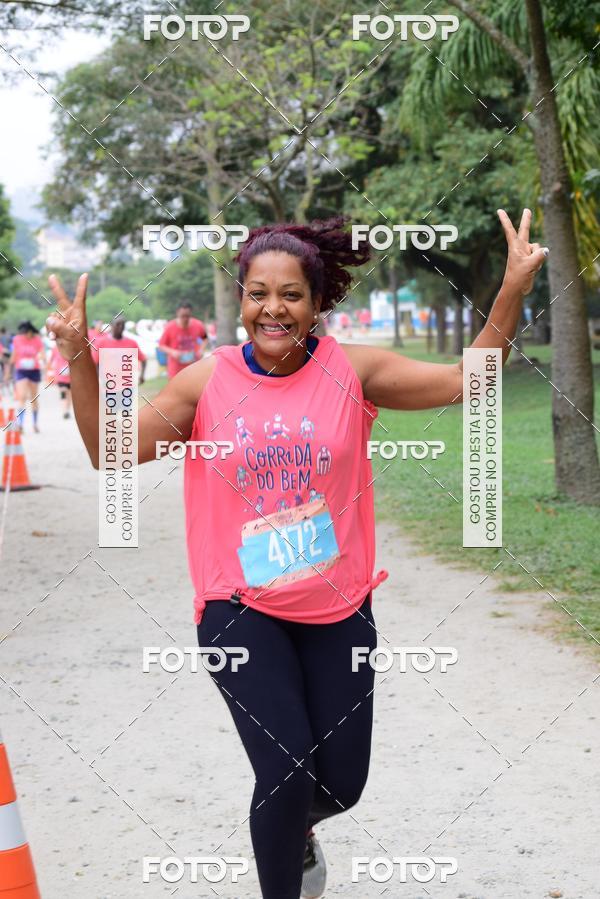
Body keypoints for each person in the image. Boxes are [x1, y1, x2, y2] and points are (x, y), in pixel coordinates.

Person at [46, 210, 547, 899]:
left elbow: (473, 381)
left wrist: (513, 287)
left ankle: (294, 828)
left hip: (337, 606)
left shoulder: (354, 369)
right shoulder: (207, 381)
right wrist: (79, 355)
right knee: (284, 769)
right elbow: (112, 450)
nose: (272, 307)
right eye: (257, 292)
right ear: (243, 299)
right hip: (238, 605)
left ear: (317, 304)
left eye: (290, 294)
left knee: (339, 783)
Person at [9, 321, 45, 432]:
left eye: (27, 333)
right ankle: (20, 424)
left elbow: (42, 354)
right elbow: (14, 354)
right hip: (21, 370)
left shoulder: (37, 340)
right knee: (22, 396)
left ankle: (35, 423)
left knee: (33, 398)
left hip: (34, 370)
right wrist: (8, 371)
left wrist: (40, 358)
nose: (25, 335)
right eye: (23, 333)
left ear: (31, 332)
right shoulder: (17, 339)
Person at [92, 315, 147, 384]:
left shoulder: (131, 343)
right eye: (118, 324)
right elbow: (94, 364)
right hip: (108, 386)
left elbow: (143, 359)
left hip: (127, 386)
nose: (120, 327)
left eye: (123, 325)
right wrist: (99, 379)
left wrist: (142, 375)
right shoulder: (101, 343)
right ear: (111, 325)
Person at [158, 303, 208, 379]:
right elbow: (161, 345)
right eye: (182, 316)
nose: (185, 319)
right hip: (175, 369)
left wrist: (201, 350)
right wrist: (172, 352)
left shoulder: (198, 325)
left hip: (193, 366)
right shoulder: (170, 327)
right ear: (177, 313)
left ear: (191, 314)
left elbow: (205, 338)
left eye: (187, 316)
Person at [48, 341, 72, 418]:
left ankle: (67, 410)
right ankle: (64, 411)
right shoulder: (55, 349)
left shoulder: (71, 348)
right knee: (63, 391)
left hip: (71, 376)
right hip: (60, 376)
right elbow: (50, 361)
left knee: (69, 394)